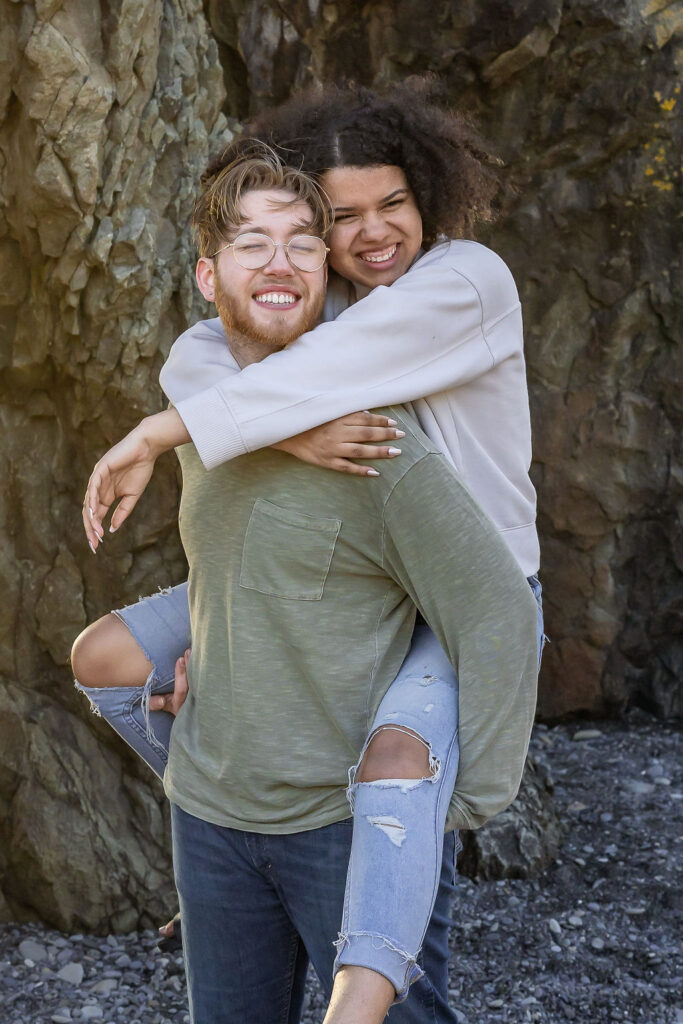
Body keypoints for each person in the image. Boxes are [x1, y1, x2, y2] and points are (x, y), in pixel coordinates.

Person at [74, 82, 543, 1024]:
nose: (373, 234)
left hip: (461, 591)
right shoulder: (321, 307)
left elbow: (311, 375)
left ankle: (386, 911)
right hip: (342, 576)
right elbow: (209, 354)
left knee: (399, 757)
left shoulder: (463, 281)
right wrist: (281, 434)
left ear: (429, 197)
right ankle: (229, 835)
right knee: (112, 660)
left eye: (393, 205)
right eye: (341, 217)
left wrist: (166, 435)